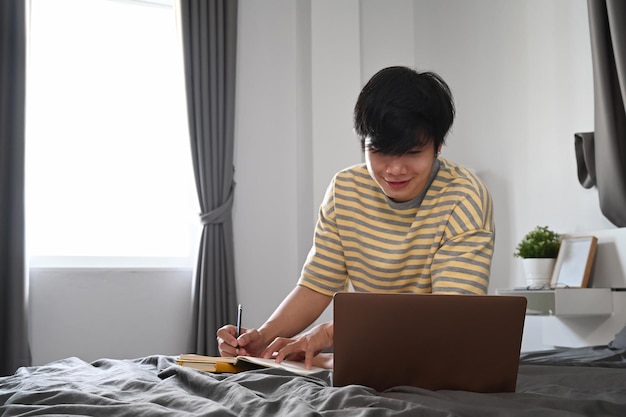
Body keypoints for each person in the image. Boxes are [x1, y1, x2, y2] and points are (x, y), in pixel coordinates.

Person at [216, 66, 495, 369]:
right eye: (379, 151)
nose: (394, 169)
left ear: (438, 146)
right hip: (369, 356)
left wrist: (331, 332)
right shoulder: (345, 190)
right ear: (363, 144)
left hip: (439, 359)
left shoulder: (464, 196)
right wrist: (263, 337)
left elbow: (449, 317)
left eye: (412, 153)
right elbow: (316, 285)